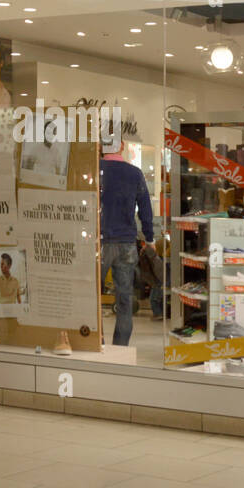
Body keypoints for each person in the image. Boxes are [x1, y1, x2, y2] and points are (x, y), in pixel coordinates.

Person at [99, 136, 154, 346]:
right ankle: (120, 346)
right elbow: (145, 209)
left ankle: (97, 341)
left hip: (100, 241)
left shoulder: (96, 170)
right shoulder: (134, 173)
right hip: (126, 242)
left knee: (93, 297)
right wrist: (149, 237)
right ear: (122, 146)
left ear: (100, 146)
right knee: (124, 298)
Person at [138, 235, 166, 317]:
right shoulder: (155, 258)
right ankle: (160, 314)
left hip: (158, 280)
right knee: (157, 298)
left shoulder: (152, 259)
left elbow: (156, 272)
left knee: (154, 299)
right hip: (158, 280)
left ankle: (158, 314)